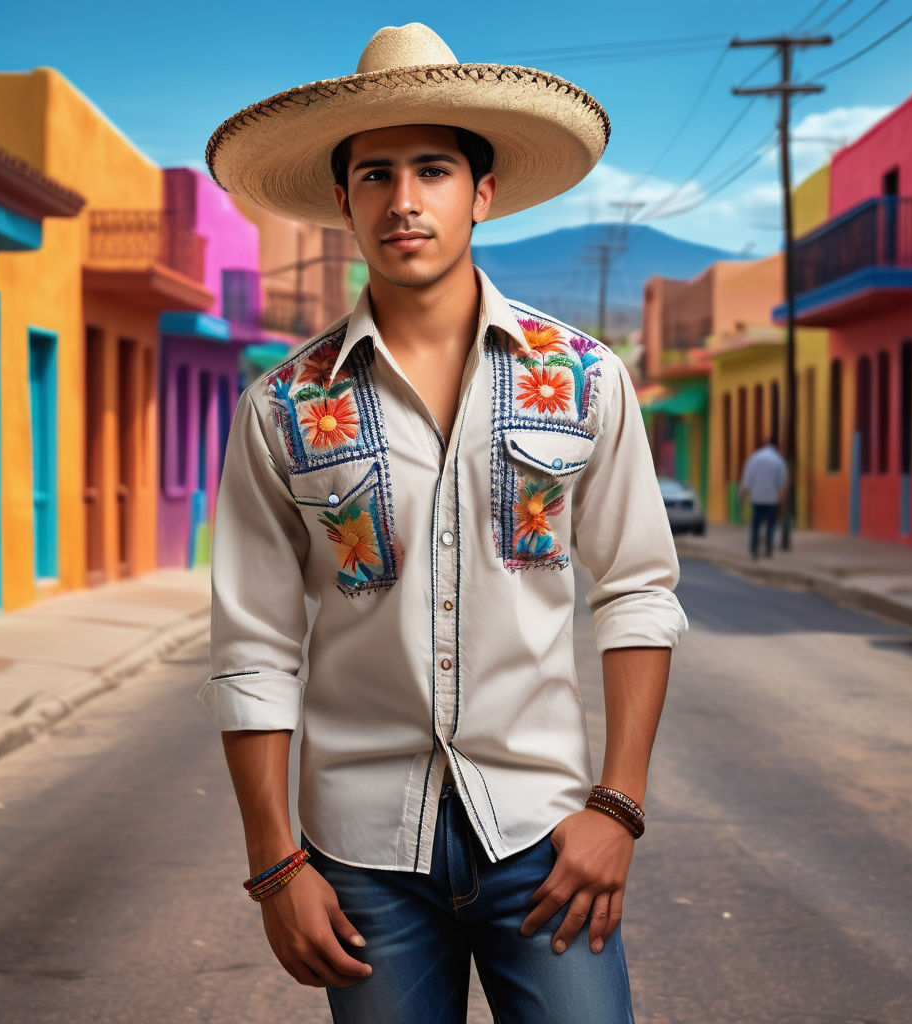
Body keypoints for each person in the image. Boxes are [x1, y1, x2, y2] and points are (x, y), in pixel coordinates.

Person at [197, 22, 689, 1024]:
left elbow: (638, 589)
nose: (404, 200)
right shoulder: (284, 406)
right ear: (343, 200)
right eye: (375, 174)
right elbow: (253, 643)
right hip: (362, 854)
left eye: (433, 168)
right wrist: (272, 862)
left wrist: (618, 808)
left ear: (483, 191)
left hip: (546, 839)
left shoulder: (582, 378)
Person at [738, 434, 789, 559]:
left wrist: (742, 496)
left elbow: (747, 479)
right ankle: (768, 548)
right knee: (770, 525)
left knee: (755, 524)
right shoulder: (778, 460)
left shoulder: (754, 458)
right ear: (777, 446)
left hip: (757, 498)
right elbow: (783, 482)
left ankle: (754, 548)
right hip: (772, 499)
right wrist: (782, 501)